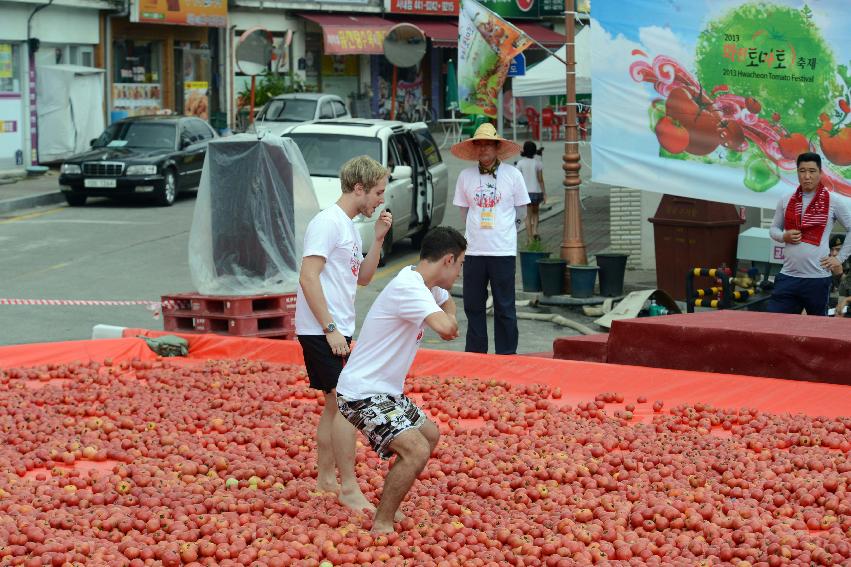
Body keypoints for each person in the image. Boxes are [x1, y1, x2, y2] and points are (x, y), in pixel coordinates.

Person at [333, 226, 466, 533]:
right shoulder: (410, 287)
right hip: (362, 392)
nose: (460, 273)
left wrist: (448, 315)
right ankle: (382, 522)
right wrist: (448, 319)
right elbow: (447, 330)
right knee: (417, 449)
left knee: (429, 436)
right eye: (460, 264)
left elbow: (448, 305)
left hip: (386, 392)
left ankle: (391, 484)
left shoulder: (427, 285)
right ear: (447, 260)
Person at [295, 155, 392, 511]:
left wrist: (378, 240)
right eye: (378, 192)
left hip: (334, 328)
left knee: (334, 408)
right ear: (358, 188)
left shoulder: (349, 226)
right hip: (323, 329)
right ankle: (348, 487)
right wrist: (330, 329)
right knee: (347, 406)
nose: (381, 199)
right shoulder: (328, 223)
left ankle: (325, 479)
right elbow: (308, 276)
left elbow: (362, 278)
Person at [451, 122, 530, 354]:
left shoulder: (513, 175)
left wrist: (507, 231)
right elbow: (464, 212)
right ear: (475, 149)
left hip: (502, 251)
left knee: (505, 306)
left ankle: (506, 354)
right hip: (474, 251)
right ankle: (476, 354)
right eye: (480, 145)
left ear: (497, 148)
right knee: (473, 306)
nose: (484, 149)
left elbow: (522, 212)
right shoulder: (465, 176)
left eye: (488, 145)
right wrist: (473, 234)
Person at [768, 152, 851, 315]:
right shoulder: (786, 199)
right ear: (797, 172)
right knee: (774, 324)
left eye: (812, 171)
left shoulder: (833, 200)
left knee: (817, 328)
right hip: (788, 276)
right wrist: (783, 236)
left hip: (818, 279)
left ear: (820, 173)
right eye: (802, 171)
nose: (807, 176)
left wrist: (839, 258)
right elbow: (774, 229)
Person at [515, 141, 546, 241]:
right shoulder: (538, 163)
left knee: (527, 216)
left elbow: (517, 180)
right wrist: (544, 193)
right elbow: (540, 180)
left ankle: (530, 238)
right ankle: (535, 231)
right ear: (534, 151)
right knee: (535, 213)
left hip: (525, 193)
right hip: (536, 192)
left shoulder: (520, 163)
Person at [829, 234, 851, 316]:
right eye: (832, 250)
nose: (834, 253)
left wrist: (840, 275)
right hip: (827, 311)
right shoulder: (825, 267)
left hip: (846, 312)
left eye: (838, 250)